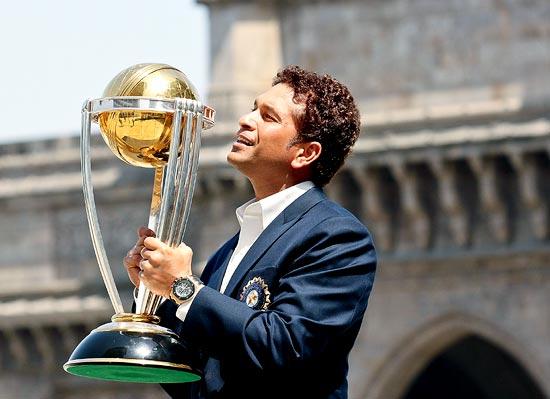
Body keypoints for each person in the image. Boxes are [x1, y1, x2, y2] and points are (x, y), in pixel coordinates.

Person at [124, 65, 377, 399]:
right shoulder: (228, 252)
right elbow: (198, 381)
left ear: (305, 153)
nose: (246, 119)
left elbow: (289, 347)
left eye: (268, 117)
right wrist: (155, 294)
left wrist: (182, 287)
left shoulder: (337, 237)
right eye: (254, 108)